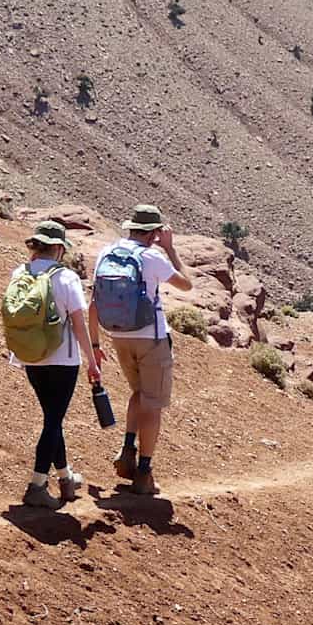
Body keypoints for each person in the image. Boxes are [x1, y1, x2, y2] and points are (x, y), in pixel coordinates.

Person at [90, 204, 192, 497]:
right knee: (153, 405)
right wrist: (171, 250)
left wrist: (95, 344)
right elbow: (185, 285)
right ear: (155, 233)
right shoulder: (152, 257)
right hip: (152, 338)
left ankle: (127, 452)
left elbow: (94, 302)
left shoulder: (106, 253)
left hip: (117, 336)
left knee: (137, 393)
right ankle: (144, 472)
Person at [7, 220, 100, 508]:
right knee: (53, 420)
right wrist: (91, 359)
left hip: (30, 356)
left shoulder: (19, 272)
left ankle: (65, 477)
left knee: (52, 417)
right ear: (59, 248)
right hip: (63, 359)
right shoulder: (66, 278)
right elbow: (78, 323)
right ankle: (36, 484)